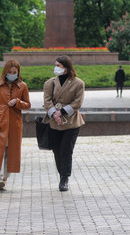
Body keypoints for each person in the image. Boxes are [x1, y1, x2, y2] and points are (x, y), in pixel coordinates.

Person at [0, 60, 31, 191]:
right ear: (5, 72)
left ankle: (5, 179)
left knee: (11, 151)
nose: (12, 74)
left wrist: (17, 102)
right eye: (9, 72)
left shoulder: (22, 86)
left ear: (18, 72)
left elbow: (28, 105)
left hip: (14, 123)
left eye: (14, 72)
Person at [43, 55, 85, 191]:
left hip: (71, 122)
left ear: (66, 68)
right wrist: (54, 113)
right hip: (54, 121)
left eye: (59, 66)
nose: (56, 68)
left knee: (66, 150)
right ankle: (62, 174)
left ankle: (64, 178)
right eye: (55, 65)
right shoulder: (50, 83)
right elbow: (47, 100)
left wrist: (62, 112)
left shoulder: (78, 83)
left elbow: (78, 102)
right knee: (56, 150)